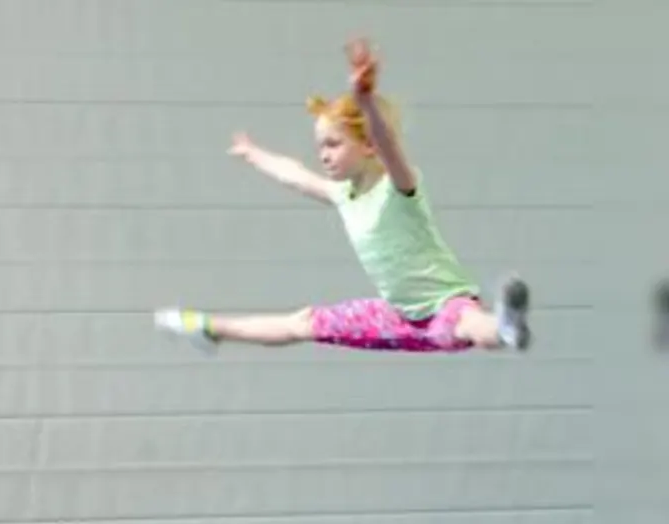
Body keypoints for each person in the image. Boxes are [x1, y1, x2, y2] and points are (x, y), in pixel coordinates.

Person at [156, 38, 530, 356]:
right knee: (302, 323)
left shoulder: (400, 188)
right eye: (320, 146)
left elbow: (390, 146)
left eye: (334, 144)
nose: (324, 155)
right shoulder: (343, 195)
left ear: (367, 145)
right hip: (396, 316)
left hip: (443, 308)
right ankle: (210, 329)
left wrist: (365, 103)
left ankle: (504, 328)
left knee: (467, 322)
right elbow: (296, 176)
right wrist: (254, 154)